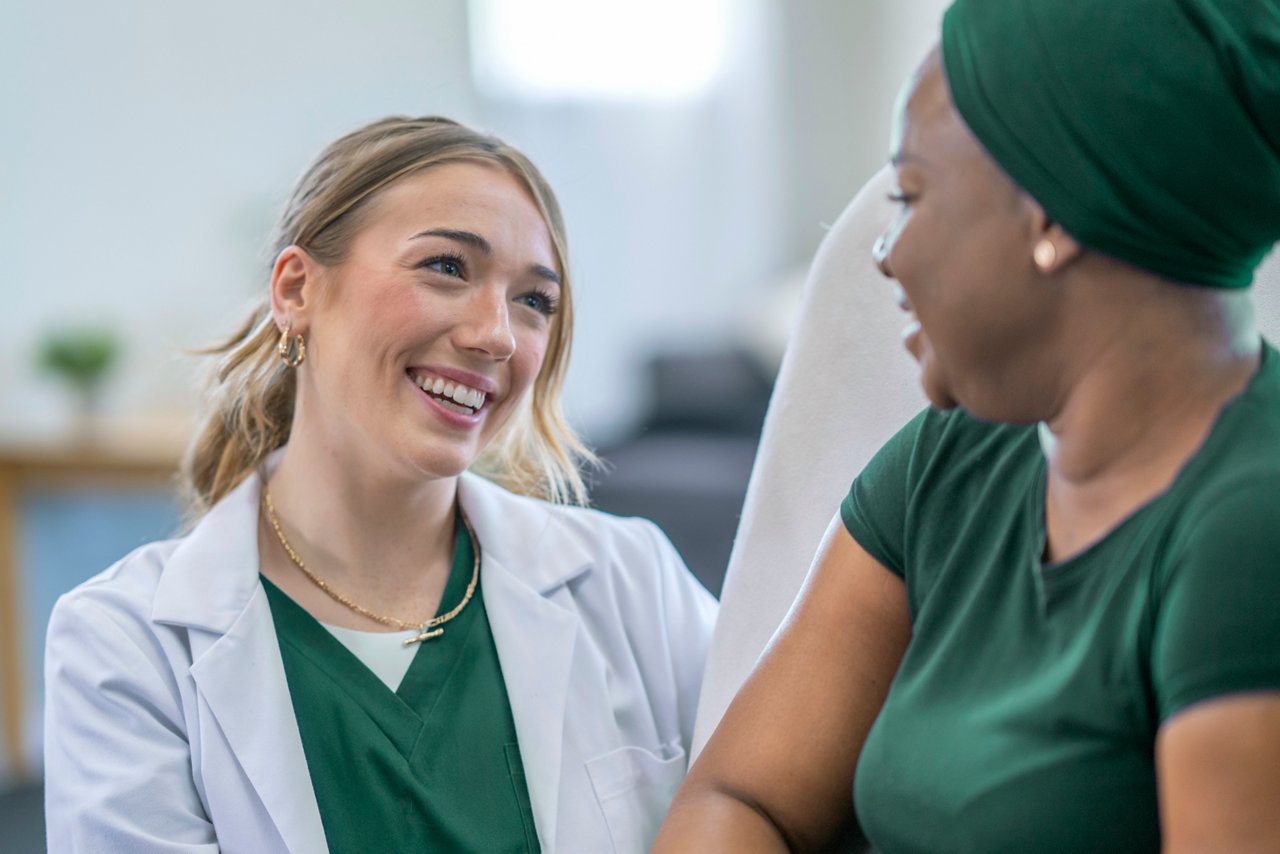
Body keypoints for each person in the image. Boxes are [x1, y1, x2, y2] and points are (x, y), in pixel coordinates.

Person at [655, 0, 1280, 850]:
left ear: (1052, 215)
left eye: (910, 195)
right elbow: (739, 798)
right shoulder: (954, 454)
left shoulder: (1248, 530)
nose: (884, 252)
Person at [43, 116, 717, 853]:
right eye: (447, 267)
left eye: (534, 301)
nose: (496, 334)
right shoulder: (126, 647)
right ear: (296, 289)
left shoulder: (631, 583)